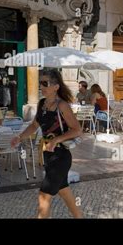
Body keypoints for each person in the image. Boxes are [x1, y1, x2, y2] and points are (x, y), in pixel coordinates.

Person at [11, 69, 83, 219]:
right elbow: (34, 125)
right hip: (48, 156)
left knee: (44, 195)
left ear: (56, 86)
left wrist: (56, 139)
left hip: (61, 157)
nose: (41, 87)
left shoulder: (62, 106)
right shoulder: (42, 104)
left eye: (45, 83)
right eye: (40, 83)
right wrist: (20, 137)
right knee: (64, 191)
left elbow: (77, 130)